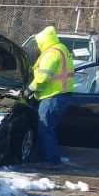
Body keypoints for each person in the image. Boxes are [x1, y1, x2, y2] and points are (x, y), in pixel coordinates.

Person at [24, 26, 75, 168]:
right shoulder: (61, 49)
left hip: (53, 96)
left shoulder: (51, 53)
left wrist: (29, 91)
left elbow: (42, 78)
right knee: (46, 128)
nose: (37, 46)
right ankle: (42, 157)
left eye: (38, 43)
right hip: (58, 96)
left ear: (43, 41)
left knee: (45, 128)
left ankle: (51, 160)